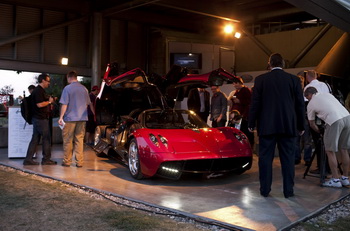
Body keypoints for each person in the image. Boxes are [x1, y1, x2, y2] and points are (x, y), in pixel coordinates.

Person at [248, 53, 305, 198]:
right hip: (288, 125)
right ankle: (288, 191)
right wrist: (301, 125)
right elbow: (300, 105)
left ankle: (265, 190)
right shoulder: (293, 80)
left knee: (265, 158)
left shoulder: (260, 80)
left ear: (270, 63)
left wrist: (251, 122)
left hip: (267, 125)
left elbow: (255, 104)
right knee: (288, 159)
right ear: (283, 64)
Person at [304, 87, 350, 187]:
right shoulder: (327, 94)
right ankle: (345, 178)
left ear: (309, 95)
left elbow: (311, 124)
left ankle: (335, 179)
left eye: (307, 98)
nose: (307, 100)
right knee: (344, 149)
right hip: (347, 117)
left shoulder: (311, 103)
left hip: (334, 120)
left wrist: (320, 131)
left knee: (330, 151)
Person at [58, 71, 94, 168]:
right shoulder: (84, 89)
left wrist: (61, 117)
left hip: (70, 118)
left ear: (68, 77)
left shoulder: (67, 88)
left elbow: (64, 104)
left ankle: (67, 161)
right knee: (79, 140)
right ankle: (79, 162)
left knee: (68, 140)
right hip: (82, 118)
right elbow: (87, 104)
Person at [23, 74, 56, 165]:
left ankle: (28, 159)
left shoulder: (39, 91)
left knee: (35, 139)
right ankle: (46, 159)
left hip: (37, 118)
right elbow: (39, 104)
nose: (49, 83)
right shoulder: (38, 91)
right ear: (43, 80)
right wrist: (49, 102)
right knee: (46, 138)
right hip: (40, 119)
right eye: (48, 81)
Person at [304, 70, 332, 174]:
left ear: (308, 76)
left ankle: (322, 168)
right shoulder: (326, 85)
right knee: (328, 143)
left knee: (318, 142)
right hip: (328, 116)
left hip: (316, 117)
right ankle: (329, 167)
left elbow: (306, 103)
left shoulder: (308, 88)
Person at [227, 77, 254, 146]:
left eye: (235, 83)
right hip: (236, 115)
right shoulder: (236, 91)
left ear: (240, 83)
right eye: (233, 83)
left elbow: (250, 102)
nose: (234, 85)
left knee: (244, 133)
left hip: (243, 115)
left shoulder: (246, 90)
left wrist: (240, 101)